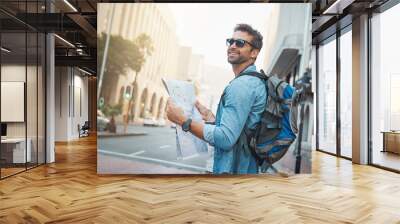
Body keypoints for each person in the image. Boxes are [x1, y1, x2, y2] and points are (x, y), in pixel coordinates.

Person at [166, 24, 267, 174]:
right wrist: (211, 117)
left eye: (240, 43)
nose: (232, 46)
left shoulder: (242, 85)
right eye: (230, 41)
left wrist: (183, 121)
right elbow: (240, 130)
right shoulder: (252, 82)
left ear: (254, 52)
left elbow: (226, 138)